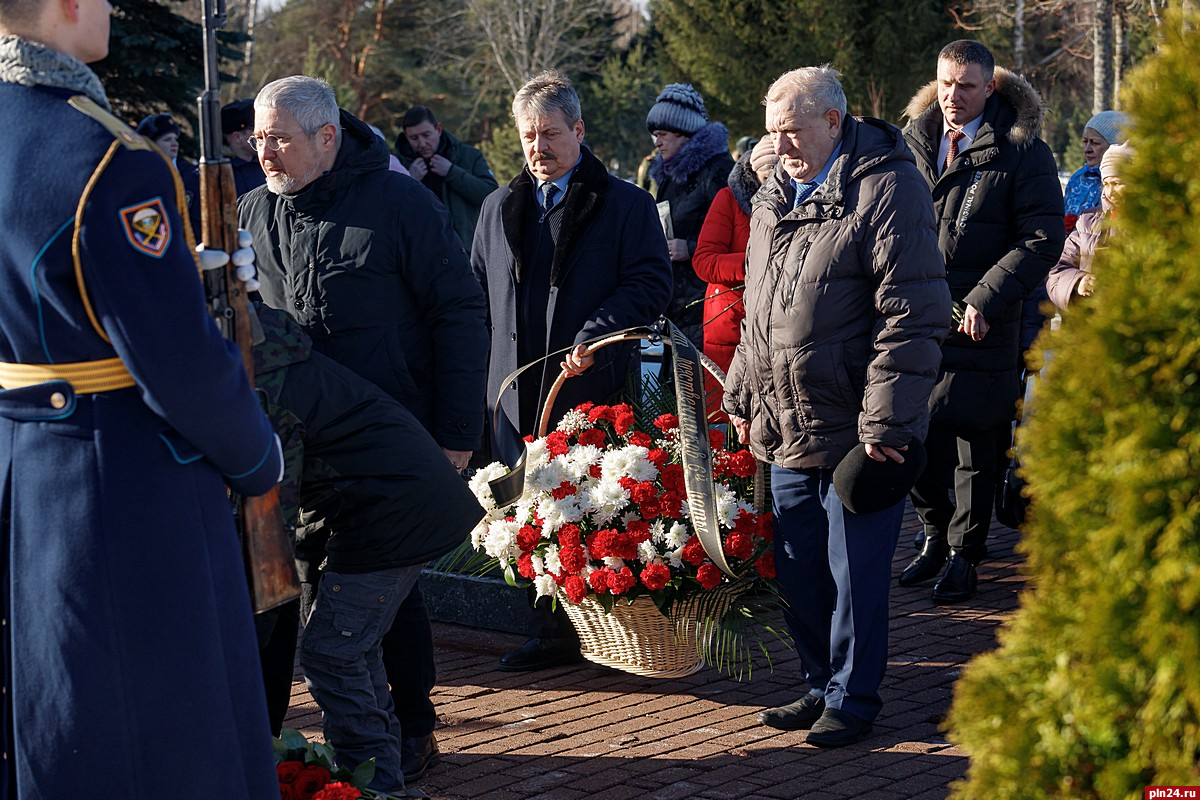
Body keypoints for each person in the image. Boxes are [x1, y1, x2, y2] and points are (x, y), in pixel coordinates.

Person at [0, 0, 284, 795]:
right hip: (116, 488)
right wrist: (258, 454)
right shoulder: (106, 156)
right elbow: (180, 367)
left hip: (19, 470)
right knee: (159, 739)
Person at [239, 75, 488, 787]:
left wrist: (454, 432)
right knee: (295, 599)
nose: (265, 152)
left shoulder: (397, 202)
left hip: (395, 440)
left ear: (326, 137)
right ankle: (293, 739)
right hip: (298, 446)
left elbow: (458, 313)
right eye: (258, 138)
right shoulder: (254, 212)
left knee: (387, 601)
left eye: (279, 138)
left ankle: (412, 727)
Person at [723, 65, 947, 747]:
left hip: (856, 428)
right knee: (797, 568)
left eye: (790, 132)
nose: (778, 147)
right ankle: (819, 682)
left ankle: (853, 697)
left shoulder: (888, 186)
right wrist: (739, 389)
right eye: (770, 134)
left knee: (855, 577)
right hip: (785, 420)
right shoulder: (772, 193)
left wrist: (886, 423)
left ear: (831, 119)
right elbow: (756, 305)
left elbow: (913, 313)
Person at [471, 69, 672, 671]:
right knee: (526, 515)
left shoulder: (625, 204)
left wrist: (595, 336)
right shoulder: (497, 206)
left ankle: (612, 629)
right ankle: (551, 633)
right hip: (512, 391)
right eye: (528, 135)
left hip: (589, 384)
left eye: (551, 134)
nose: (539, 147)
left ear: (579, 130)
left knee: (587, 509)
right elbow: (476, 292)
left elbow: (651, 282)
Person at [251, 304, 482, 797]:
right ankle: (376, 780)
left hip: (395, 511)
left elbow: (271, 509)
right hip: (393, 504)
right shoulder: (278, 362)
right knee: (348, 651)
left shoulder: (265, 386)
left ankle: (376, 788)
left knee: (334, 654)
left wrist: (259, 622)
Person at [899, 40, 1065, 603]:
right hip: (914, 315)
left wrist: (984, 298)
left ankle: (967, 552)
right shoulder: (913, 144)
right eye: (946, 84)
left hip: (983, 319)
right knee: (914, 433)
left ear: (989, 87)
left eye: (966, 86)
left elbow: (1041, 238)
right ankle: (933, 536)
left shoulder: (1023, 151)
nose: (953, 97)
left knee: (975, 439)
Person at [692, 134, 777, 419]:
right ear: (753, 175)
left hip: (776, 324)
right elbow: (704, 261)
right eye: (767, 176)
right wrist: (758, 264)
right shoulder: (728, 199)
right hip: (728, 326)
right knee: (727, 420)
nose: (775, 184)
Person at [646, 83, 734, 354]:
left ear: (683, 134)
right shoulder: (668, 175)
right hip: (676, 302)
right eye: (654, 136)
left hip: (707, 301)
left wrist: (690, 247)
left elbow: (739, 234)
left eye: (662, 134)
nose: (656, 142)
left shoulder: (718, 170)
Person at [396, 104, 498, 251]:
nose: (422, 143)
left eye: (426, 135)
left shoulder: (469, 156)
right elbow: (390, 212)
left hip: (464, 251)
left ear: (438, 129)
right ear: (406, 136)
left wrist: (452, 172)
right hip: (421, 254)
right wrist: (410, 180)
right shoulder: (398, 165)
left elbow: (490, 196)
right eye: (414, 138)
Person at [1047, 143, 1132, 310]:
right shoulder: (1088, 220)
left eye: (1116, 183)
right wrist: (1078, 281)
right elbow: (1058, 268)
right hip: (1093, 324)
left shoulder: (1154, 223)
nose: (1109, 192)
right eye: (1106, 184)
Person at [136, 111, 201, 232]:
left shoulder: (190, 175)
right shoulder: (139, 178)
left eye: (175, 139)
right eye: (167, 140)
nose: (174, 144)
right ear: (151, 144)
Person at [1062, 110, 1128, 229]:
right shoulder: (1078, 178)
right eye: (1085, 141)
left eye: (1095, 143)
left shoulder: (1126, 180)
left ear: (1116, 146)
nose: (1087, 149)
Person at [221, 97, 267, 195]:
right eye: (256, 131)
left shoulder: (269, 163)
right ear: (238, 137)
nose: (263, 135)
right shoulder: (220, 172)